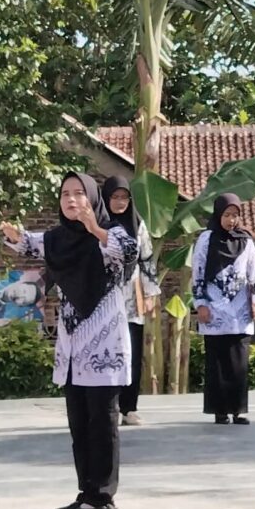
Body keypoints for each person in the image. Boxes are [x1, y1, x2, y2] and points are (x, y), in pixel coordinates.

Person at [1, 173, 134, 509]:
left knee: (103, 421)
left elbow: (127, 252)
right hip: (73, 345)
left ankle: (102, 496)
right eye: (65, 194)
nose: (71, 200)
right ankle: (86, 491)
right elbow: (30, 243)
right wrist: (13, 235)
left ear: (93, 198)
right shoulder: (58, 239)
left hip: (105, 342)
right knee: (79, 423)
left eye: (79, 193)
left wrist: (94, 227)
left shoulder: (113, 232)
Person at [191, 195, 255, 424]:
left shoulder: (246, 241)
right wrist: (200, 303)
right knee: (217, 363)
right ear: (218, 215)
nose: (231, 220)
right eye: (227, 215)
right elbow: (198, 271)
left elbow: (254, 272)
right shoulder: (206, 239)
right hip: (214, 309)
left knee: (239, 363)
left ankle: (238, 410)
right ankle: (220, 411)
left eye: (235, 215)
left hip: (240, 311)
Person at [98, 177, 157, 425]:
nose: (120, 202)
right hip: (104, 300)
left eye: (124, 197)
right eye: (115, 197)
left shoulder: (138, 224)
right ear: (106, 198)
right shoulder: (97, 224)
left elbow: (147, 259)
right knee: (107, 353)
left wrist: (150, 293)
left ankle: (129, 408)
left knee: (131, 353)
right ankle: (108, 407)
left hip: (132, 300)